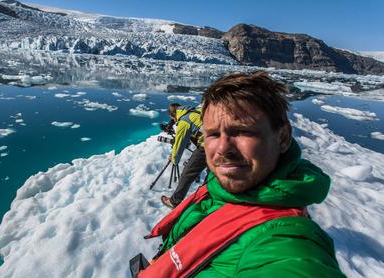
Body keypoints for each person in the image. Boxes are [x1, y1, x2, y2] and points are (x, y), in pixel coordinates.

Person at [133, 72, 345, 277]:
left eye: (243, 131)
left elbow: (291, 263)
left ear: (283, 137)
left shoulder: (284, 240)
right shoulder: (217, 191)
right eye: (213, 134)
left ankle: (176, 198)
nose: (223, 148)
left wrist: (175, 158)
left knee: (189, 173)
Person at [160, 103, 207, 209]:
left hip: (207, 145)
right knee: (211, 173)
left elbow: (179, 145)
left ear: (174, 115)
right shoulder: (195, 111)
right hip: (220, 141)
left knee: (188, 172)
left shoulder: (184, 121)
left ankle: (174, 202)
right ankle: (206, 197)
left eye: (174, 119)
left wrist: (174, 159)